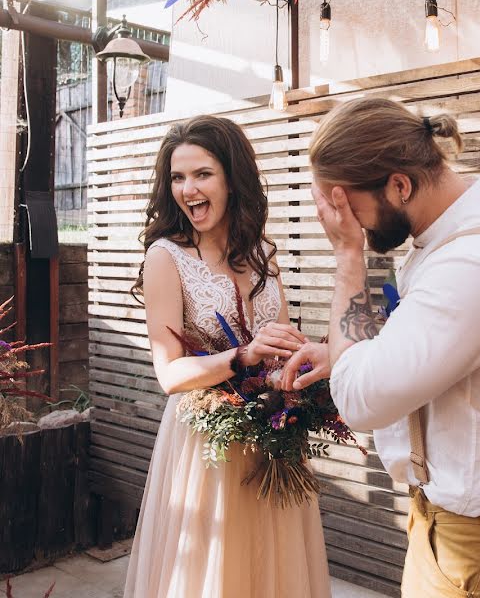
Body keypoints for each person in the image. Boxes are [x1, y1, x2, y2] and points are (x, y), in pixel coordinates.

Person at [282, 97, 480, 597]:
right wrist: (343, 355)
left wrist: (348, 256)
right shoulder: (445, 242)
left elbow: (359, 402)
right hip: (452, 525)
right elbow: (430, 348)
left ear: (399, 184)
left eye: (349, 207)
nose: (348, 223)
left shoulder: (472, 265)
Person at [124, 115, 331, 598]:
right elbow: (169, 373)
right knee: (214, 572)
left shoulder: (261, 254)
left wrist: (293, 369)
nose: (188, 189)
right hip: (204, 446)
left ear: (232, 180)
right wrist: (241, 357)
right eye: (177, 177)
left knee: (272, 567)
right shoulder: (166, 257)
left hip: (271, 435)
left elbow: (273, 346)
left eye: (202, 174)